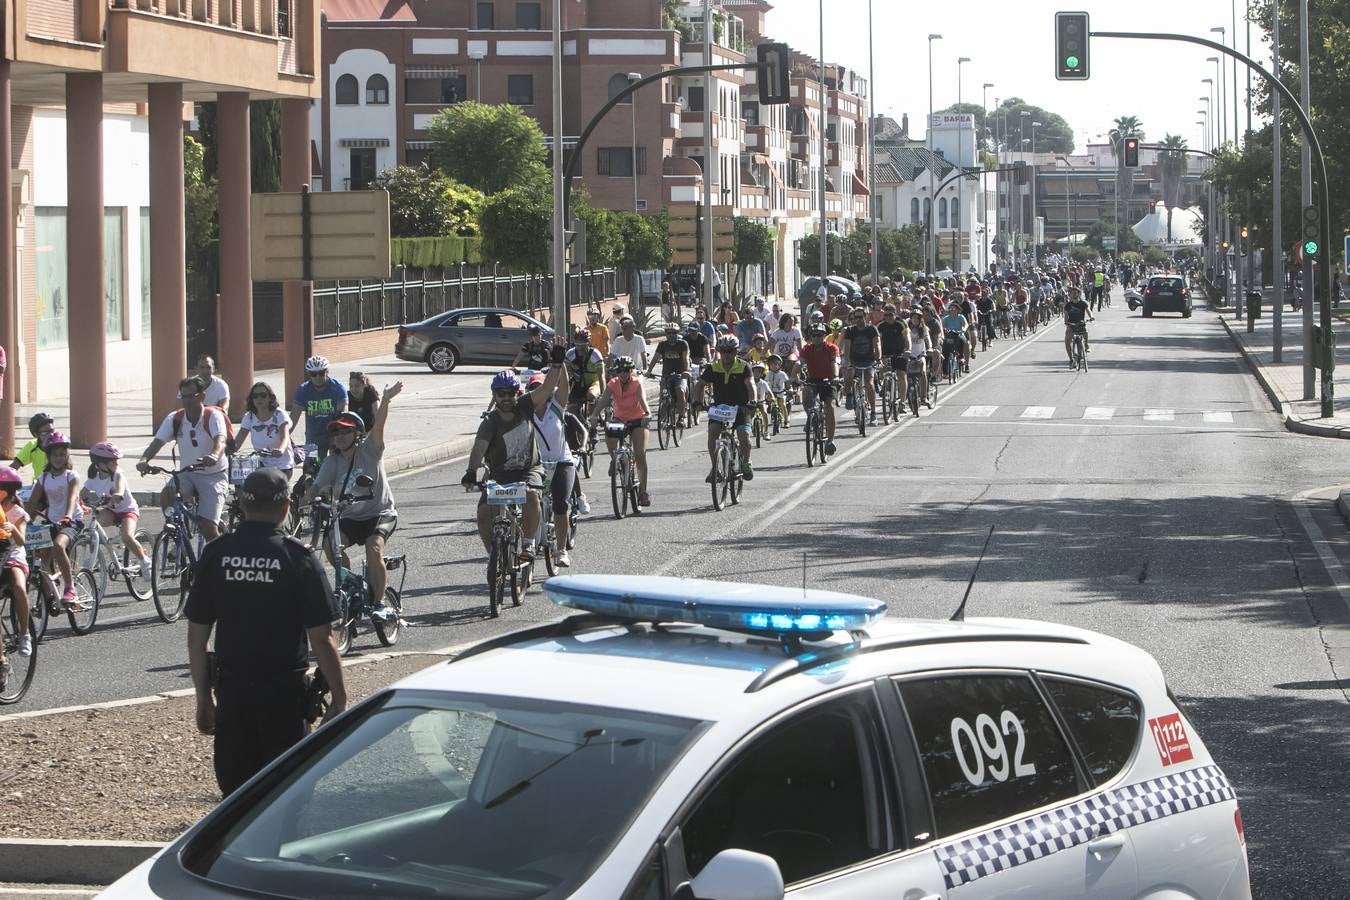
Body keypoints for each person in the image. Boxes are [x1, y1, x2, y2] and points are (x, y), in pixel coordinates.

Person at [186, 465, 346, 796]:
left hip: (233, 695)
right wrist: (340, 698)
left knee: (235, 799)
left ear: (242, 506)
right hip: (283, 697)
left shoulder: (217, 554)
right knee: (285, 797)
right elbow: (322, 638)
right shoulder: (297, 557)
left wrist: (203, 697)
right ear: (285, 507)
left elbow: (197, 637)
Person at [305, 383, 402, 609]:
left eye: (346, 430)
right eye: (336, 431)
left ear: (357, 433)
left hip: (380, 513)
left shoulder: (370, 449)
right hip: (349, 517)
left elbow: (379, 426)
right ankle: (349, 585)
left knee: (374, 547)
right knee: (331, 546)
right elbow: (318, 486)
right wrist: (306, 499)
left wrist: (385, 400)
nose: (340, 435)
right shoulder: (332, 461)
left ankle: (378, 604)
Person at [462, 371, 544, 561]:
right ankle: (495, 557)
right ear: (494, 395)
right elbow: (479, 449)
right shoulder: (490, 421)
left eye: (511, 392)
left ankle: (528, 543)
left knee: (531, 494)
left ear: (517, 392)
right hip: (499, 476)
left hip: (528, 470)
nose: (507, 397)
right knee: (483, 515)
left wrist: (557, 365)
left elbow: (546, 390)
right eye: (501, 393)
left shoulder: (525, 406)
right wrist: (471, 472)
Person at [138, 376, 229, 542]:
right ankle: (176, 531)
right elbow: (157, 443)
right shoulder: (175, 418)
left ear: (202, 396)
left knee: (208, 527)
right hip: (186, 474)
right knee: (167, 494)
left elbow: (220, 441)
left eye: (191, 396)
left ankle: (217, 561)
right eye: (183, 396)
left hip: (212, 475)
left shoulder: (213, 416)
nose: (186, 400)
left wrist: (214, 455)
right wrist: (144, 460)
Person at [525, 353, 576, 566]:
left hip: (561, 462)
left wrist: (560, 361)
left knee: (560, 504)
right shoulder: (525, 412)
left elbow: (563, 385)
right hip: (536, 465)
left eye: (541, 388)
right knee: (526, 500)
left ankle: (561, 549)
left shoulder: (557, 405)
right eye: (533, 389)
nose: (538, 393)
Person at [25, 431, 82, 606]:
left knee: (58, 545)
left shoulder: (71, 476)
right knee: (40, 558)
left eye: (62, 454)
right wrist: (24, 521)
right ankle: (48, 592)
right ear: (48, 456)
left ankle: (70, 588)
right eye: (54, 455)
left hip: (71, 521)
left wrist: (68, 516)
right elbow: (32, 505)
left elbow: (72, 499)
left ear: (67, 455)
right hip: (51, 522)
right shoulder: (43, 478)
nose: (58, 458)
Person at [82, 442, 150, 578]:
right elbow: (82, 493)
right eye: (113, 462)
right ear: (100, 464)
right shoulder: (93, 477)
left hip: (127, 511)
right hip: (111, 511)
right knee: (92, 529)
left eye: (116, 461)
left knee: (126, 537)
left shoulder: (118, 474)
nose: (116, 464)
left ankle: (145, 561)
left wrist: (116, 495)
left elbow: (119, 488)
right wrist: (80, 502)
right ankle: (94, 558)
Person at [591, 356, 652, 507]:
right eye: (620, 371)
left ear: (631, 371)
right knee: (610, 435)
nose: (623, 374)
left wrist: (648, 414)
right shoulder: (613, 383)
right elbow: (604, 400)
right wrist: (594, 414)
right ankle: (615, 460)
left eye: (626, 371)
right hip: (620, 419)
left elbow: (642, 399)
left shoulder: (636, 383)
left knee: (639, 454)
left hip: (638, 420)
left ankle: (643, 492)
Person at [701, 335, 755, 482]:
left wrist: (753, 401)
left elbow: (751, 384)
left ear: (736, 351)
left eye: (730, 351)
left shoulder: (744, 366)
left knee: (743, 435)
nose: (726, 354)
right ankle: (715, 468)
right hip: (719, 408)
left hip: (741, 407)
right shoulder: (713, 367)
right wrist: (697, 401)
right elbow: (700, 384)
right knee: (713, 433)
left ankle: (746, 463)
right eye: (723, 351)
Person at [0, 466, 32, 691]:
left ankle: (25, 633)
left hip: (13, 557)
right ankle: (1, 659)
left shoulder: (17, 512)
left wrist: (12, 528)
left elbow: (21, 543)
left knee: (19, 586)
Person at [290, 356, 348, 461]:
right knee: (309, 469)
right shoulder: (303, 390)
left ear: (327, 371)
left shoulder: (338, 388)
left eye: (321, 373)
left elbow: (342, 416)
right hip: (313, 439)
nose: (318, 377)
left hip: (333, 435)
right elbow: (293, 419)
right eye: (313, 374)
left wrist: (339, 439)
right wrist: (283, 436)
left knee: (336, 465)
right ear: (309, 374)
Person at [237, 382, 295, 476]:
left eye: (263, 395)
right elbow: (238, 440)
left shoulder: (280, 414)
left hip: (282, 465)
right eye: (255, 396)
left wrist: (280, 450)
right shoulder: (249, 417)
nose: (259, 399)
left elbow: (285, 437)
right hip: (259, 464)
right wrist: (226, 449)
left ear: (270, 397)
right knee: (241, 482)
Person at [798, 325, 840, 454]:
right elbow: (800, 363)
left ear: (824, 336)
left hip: (829, 380)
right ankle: (812, 418)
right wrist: (794, 376)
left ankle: (830, 441)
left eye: (819, 335)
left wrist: (836, 377)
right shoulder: (807, 348)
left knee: (830, 407)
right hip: (813, 380)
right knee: (805, 392)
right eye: (814, 335)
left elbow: (835, 362)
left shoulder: (832, 348)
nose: (816, 338)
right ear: (811, 337)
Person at [841, 307, 882, 425]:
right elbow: (847, 347)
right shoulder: (850, 330)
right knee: (849, 375)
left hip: (869, 362)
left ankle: (873, 414)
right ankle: (849, 395)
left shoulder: (872, 329)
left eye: (861, 317)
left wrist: (878, 358)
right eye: (856, 317)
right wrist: (847, 362)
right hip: (854, 362)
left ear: (865, 317)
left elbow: (877, 345)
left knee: (869, 383)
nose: (858, 320)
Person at [647, 322, 690, 423]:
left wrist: (686, 370)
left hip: (680, 375)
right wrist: (649, 371)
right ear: (666, 334)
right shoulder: (662, 345)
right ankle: (662, 419)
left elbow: (686, 358)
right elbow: (655, 358)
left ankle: (682, 417)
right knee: (663, 395)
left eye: (674, 333)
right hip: (666, 376)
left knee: (680, 390)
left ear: (677, 333)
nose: (671, 335)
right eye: (669, 333)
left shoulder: (682, 344)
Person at [564, 327, 606, 415]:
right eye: (577, 344)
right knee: (571, 410)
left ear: (588, 343)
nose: (579, 348)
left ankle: (592, 419)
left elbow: (601, 377)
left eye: (583, 344)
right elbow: (564, 375)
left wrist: (603, 395)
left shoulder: (595, 355)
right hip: (577, 384)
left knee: (591, 395)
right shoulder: (570, 354)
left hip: (594, 383)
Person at [877, 306, 910, 413]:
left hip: (899, 353)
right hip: (886, 353)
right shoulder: (880, 325)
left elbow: (907, 338)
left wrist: (908, 349)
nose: (888, 317)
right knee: (882, 370)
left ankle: (902, 402)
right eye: (886, 315)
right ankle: (885, 386)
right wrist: (878, 355)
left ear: (895, 314)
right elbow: (877, 341)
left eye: (890, 315)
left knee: (901, 375)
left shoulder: (901, 323)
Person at [12, 412, 55, 481]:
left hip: (58, 485)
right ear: (36, 434)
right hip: (38, 486)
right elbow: (13, 467)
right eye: (45, 433)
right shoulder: (32, 445)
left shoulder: (60, 444)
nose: (50, 435)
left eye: (51, 431)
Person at [768, 313, 804, 381]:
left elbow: (800, 346)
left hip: (792, 353)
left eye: (792, 322)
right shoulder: (777, 332)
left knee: (790, 361)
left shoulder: (796, 331)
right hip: (779, 354)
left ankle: (792, 381)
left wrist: (802, 356)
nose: (791, 324)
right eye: (789, 322)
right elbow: (769, 344)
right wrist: (762, 354)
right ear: (784, 322)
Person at [1063, 288, 1093, 365]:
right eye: (1072, 293)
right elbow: (1066, 315)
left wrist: (1091, 317)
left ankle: (1086, 345)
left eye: (1076, 293)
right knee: (1067, 341)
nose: (1074, 294)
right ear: (1070, 294)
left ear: (1079, 294)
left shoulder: (1083, 303)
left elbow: (1088, 310)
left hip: (1080, 323)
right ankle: (1071, 360)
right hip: (1071, 324)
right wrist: (1066, 322)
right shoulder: (1068, 305)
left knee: (1085, 332)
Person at [764, 354, 790, 425]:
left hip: (780, 392)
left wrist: (789, 388)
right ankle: (771, 412)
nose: (774, 366)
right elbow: (765, 382)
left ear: (779, 365)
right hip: (771, 392)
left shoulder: (782, 374)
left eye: (776, 364)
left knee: (782, 405)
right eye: (771, 364)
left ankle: (786, 421)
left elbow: (787, 382)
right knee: (767, 403)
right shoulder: (769, 373)